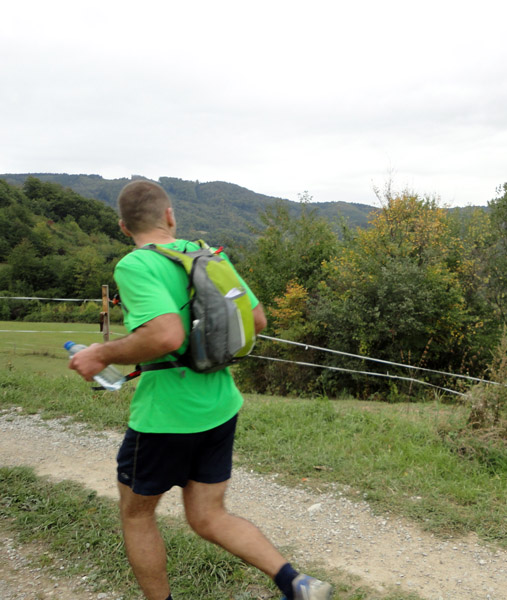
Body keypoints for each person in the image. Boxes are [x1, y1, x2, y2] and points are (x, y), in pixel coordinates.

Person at [68, 180, 332, 600]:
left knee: (137, 516)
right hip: (220, 406)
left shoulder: (136, 265)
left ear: (123, 227)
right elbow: (257, 319)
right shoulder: (206, 254)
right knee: (208, 515)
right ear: (170, 216)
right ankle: (296, 583)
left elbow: (166, 335)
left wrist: (101, 353)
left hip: (165, 416)